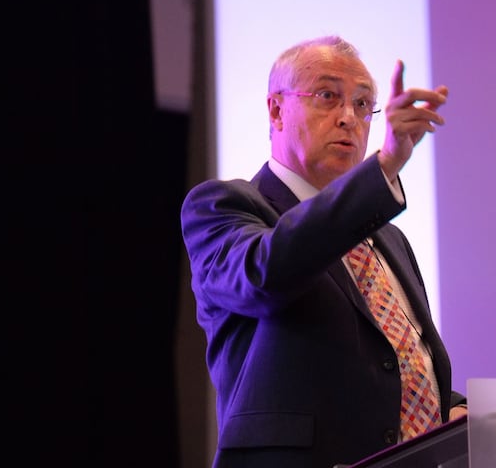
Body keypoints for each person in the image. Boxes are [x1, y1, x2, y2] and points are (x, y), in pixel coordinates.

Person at [180, 35, 467, 468]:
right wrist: (383, 168)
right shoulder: (224, 206)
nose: (349, 118)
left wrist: (453, 411)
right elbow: (265, 275)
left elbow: (394, 361)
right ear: (276, 110)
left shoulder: (390, 239)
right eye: (328, 96)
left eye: (362, 104)